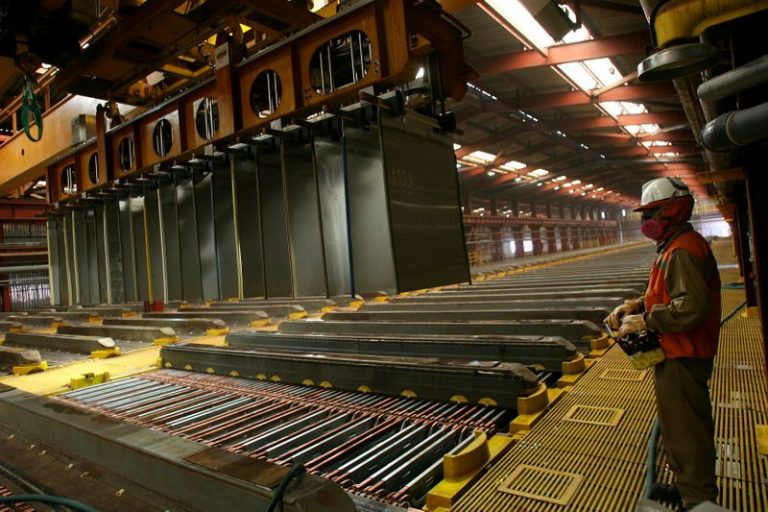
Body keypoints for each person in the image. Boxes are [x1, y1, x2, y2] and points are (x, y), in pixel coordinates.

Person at [604, 177, 721, 511]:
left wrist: (647, 321)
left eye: (652, 213)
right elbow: (667, 293)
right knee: (677, 427)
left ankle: (699, 501)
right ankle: (689, 490)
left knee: (687, 433)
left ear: (674, 210)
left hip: (684, 353)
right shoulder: (674, 245)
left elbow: (691, 308)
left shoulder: (682, 249)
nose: (646, 222)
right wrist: (636, 305)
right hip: (675, 352)